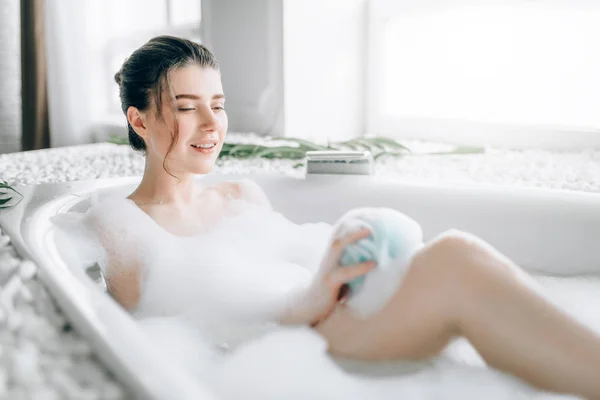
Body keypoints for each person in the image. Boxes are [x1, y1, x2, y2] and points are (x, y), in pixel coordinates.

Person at [103, 35, 600, 398]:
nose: (214, 124)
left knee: (451, 257)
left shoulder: (242, 195)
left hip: (317, 325)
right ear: (139, 119)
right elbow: (180, 342)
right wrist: (301, 303)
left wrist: (340, 273)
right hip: (279, 354)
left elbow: (286, 269)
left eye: (219, 104)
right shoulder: (124, 229)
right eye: (189, 107)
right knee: (455, 259)